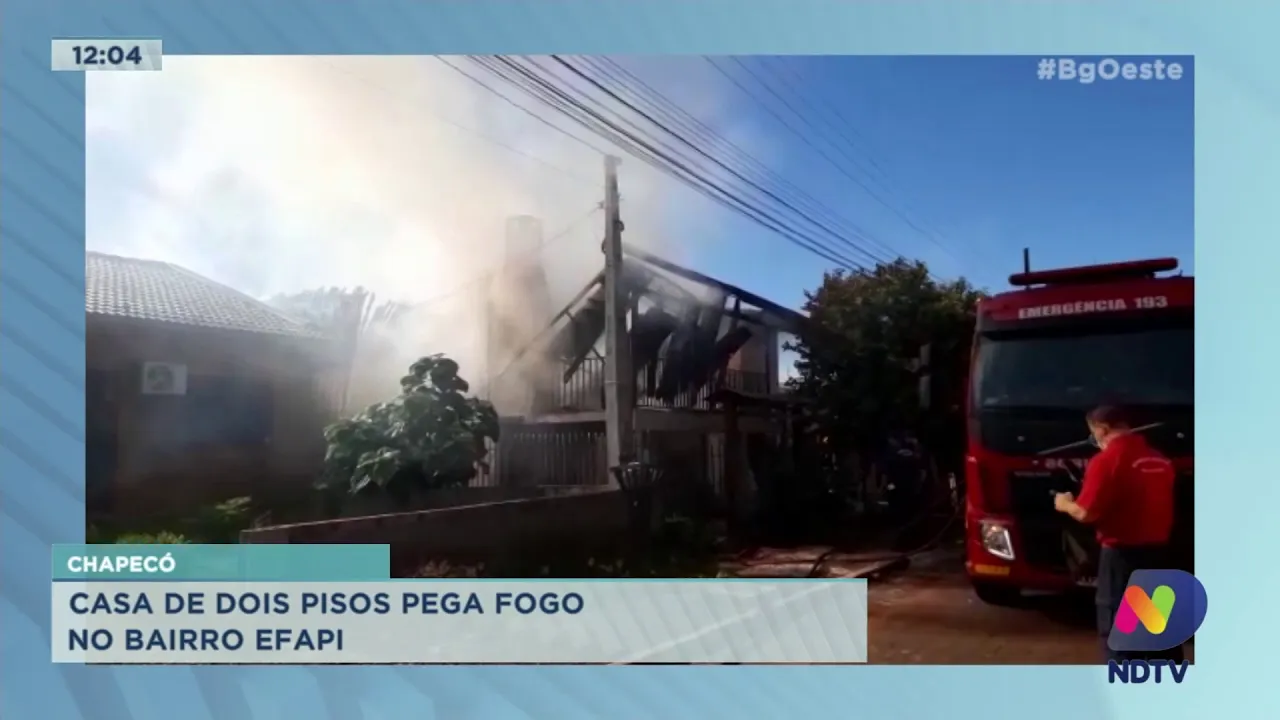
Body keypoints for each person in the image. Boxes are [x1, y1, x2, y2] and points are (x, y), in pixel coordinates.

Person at [1053, 405, 1184, 664]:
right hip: (1159, 556)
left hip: (1122, 559)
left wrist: (1064, 503)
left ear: (1102, 430)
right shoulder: (1159, 460)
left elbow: (1086, 513)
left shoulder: (1106, 461)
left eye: (1093, 434)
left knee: (1119, 631)